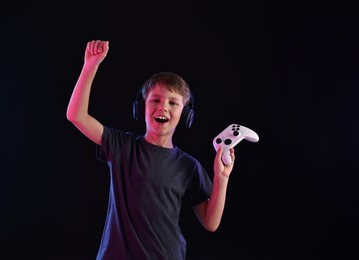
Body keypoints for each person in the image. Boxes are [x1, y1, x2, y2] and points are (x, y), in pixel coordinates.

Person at [66, 39, 235, 260]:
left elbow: (210, 222)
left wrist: (221, 178)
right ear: (141, 108)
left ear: (185, 115)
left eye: (173, 103)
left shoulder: (188, 166)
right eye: (155, 100)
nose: (163, 106)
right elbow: (75, 116)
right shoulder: (122, 147)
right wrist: (90, 66)